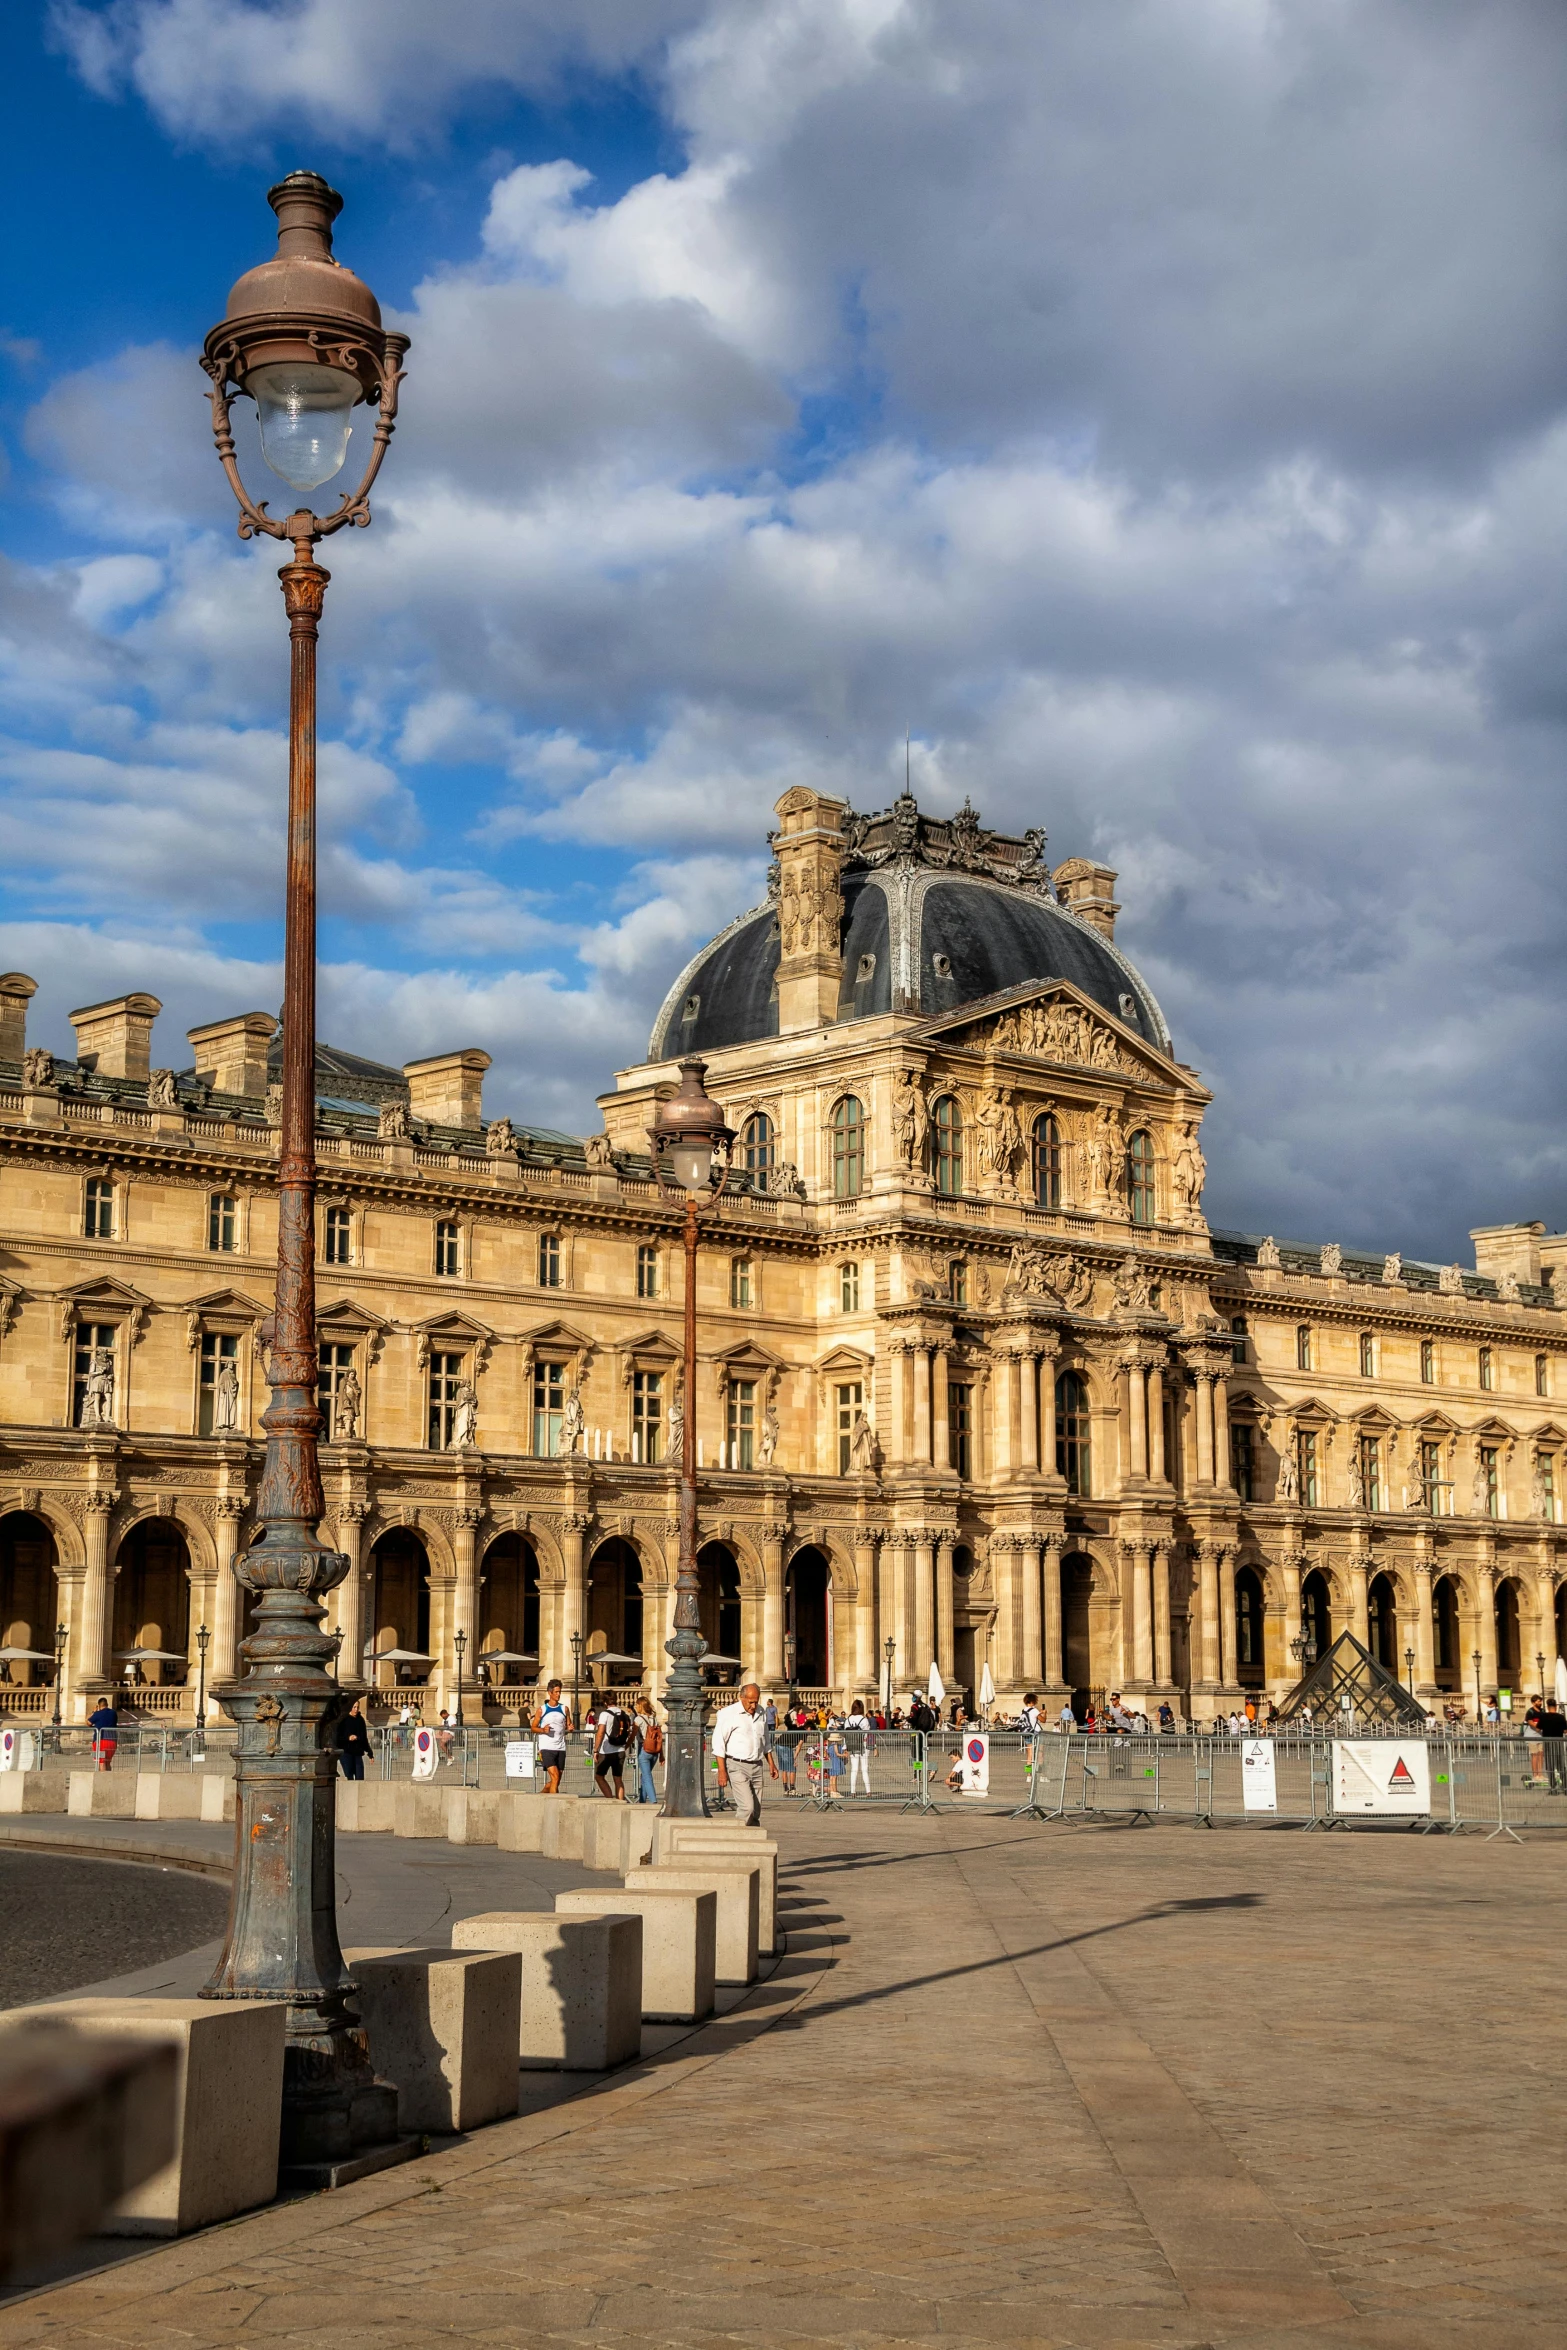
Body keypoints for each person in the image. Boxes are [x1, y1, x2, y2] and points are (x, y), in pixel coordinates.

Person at [711, 1681, 778, 1825]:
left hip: (757, 1765)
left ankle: (753, 1837)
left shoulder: (761, 1712)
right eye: (750, 1702)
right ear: (741, 1698)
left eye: (756, 1702)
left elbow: (765, 1741)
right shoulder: (727, 1714)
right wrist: (722, 1771)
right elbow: (718, 1744)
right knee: (747, 1807)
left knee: (756, 1811)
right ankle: (737, 1835)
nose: (753, 1706)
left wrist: (772, 1764)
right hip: (736, 1764)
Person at [533, 1678, 571, 1793]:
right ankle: (554, 1804)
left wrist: (570, 1728)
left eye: (560, 1692)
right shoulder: (542, 1710)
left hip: (560, 1747)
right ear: (550, 1693)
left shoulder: (565, 1709)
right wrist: (543, 1730)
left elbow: (568, 1725)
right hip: (546, 1747)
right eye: (556, 1692)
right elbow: (533, 1728)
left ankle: (541, 1795)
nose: (558, 1694)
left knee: (557, 1779)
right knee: (554, 1777)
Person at [594, 1699, 632, 1800]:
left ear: (605, 1702)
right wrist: (625, 1746)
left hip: (606, 1751)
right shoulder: (623, 1713)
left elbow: (601, 1733)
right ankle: (620, 1804)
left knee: (599, 1776)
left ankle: (610, 1800)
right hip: (620, 1750)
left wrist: (595, 1750)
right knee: (618, 1779)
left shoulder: (604, 1714)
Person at [633, 1695, 662, 1803]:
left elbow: (633, 1735)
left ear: (640, 1706)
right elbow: (659, 1737)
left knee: (647, 1776)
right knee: (645, 1775)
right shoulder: (654, 1719)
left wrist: (626, 1746)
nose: (635, 1706)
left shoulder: (638, 1719)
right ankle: (642, 1799)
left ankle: (653, 1800)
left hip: (644, 1749)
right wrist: (661, 1754)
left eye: (637, 1704)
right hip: (655, 1751)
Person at [336, 1698, 372, 1780]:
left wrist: (370, 1753)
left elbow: (364, 1737)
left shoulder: (360, 1720)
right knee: (349, 1776)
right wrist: (348, 1738)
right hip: (346, 1752)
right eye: (354, 1707)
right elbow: (338, 1736)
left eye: (357, 1707)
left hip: (357, 1752)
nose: (356, 1710)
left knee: (360, 1777)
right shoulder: (343, 1719)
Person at [844, 1699, 873, 1795]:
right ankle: (868, 1790)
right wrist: (873, 1746)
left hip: (852, 1744)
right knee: (864, 1768)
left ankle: (853, 1791)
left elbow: (846, 1735)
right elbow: (868, 1734)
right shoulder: (864, 1719)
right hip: (863, 1744)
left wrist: (845, 1747)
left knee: (854, 1769)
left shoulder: (848, 1720)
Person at [1539, 1700, 1567, 1794]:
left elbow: (1539, 1728)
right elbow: (1565, 1731)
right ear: (1556, 1706)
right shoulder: (1561, 1717)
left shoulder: (1543, 1716)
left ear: (1547, 1706)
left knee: (1550, 1766)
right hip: (1558, 1742)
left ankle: (1553, 1788)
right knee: (1561, 1766)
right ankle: (1565, 1787)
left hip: (1548, 1742)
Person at [89, 1697, 118, 1772]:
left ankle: (103, 1782)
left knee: (101, 1762)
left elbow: (88, 1722)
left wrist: (93, 1712)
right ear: (107, 1704)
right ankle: (108, 1780)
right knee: (108, 1762)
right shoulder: (113, 1713)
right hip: (112, 1741)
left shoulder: (97, 1714)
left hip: (100, 1742)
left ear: (99, 1706)